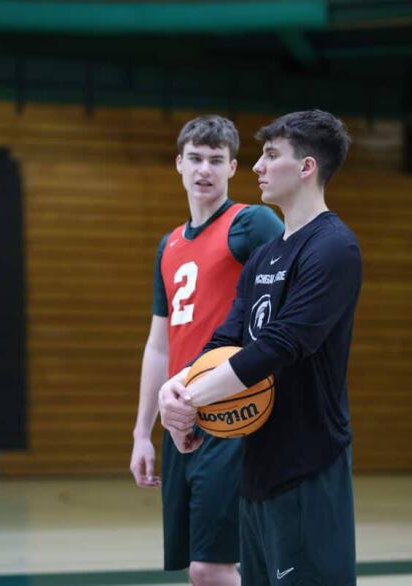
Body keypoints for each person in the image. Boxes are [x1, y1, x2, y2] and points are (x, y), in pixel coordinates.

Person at [158, 110, 362, 586]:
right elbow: (226, 339)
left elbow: (282, 342)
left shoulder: (334, 247)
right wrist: (175, 388)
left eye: (271, 155)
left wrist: (192, 399)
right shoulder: (266, 256)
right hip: (254, 466)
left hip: (309, 463)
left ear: (307, 167)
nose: (257, 166)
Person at [129, 115, 283, 585]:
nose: (204, 170)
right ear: (179, 163)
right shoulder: (169, 245)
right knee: (198, 567)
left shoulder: (252, 222)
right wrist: (142, 432)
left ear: (233, 167)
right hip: (180, 416)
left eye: (216, 160)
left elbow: (290, 298)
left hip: (230, 409)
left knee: (210, 566)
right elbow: (159, 346)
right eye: (195, 158)